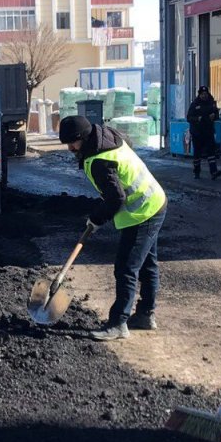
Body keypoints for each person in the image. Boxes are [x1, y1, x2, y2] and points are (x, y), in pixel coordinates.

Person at [58, 115, 167, 341]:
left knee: (126, 268)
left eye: (72, 143)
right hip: (154, 201)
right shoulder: (106, 136)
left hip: (143, 211)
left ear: (84, 138)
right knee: (147, 264)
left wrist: (97, 218)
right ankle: (146, 315)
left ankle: (118, 323)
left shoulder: (100, 161)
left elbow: (116, 199)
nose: (70, 148)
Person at [186, 86, 221, 180]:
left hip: (208, 131)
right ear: (199, 95)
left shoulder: (211, 102)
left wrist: (214, 116)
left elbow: (216, 114)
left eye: (205, 94)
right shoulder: (194, 104)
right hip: (197, 132)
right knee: (197, 153)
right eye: (202, 94)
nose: (204, 96)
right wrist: (197, 119)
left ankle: (214, 172)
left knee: (211, 152)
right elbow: (189, 117)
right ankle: (197, 172)